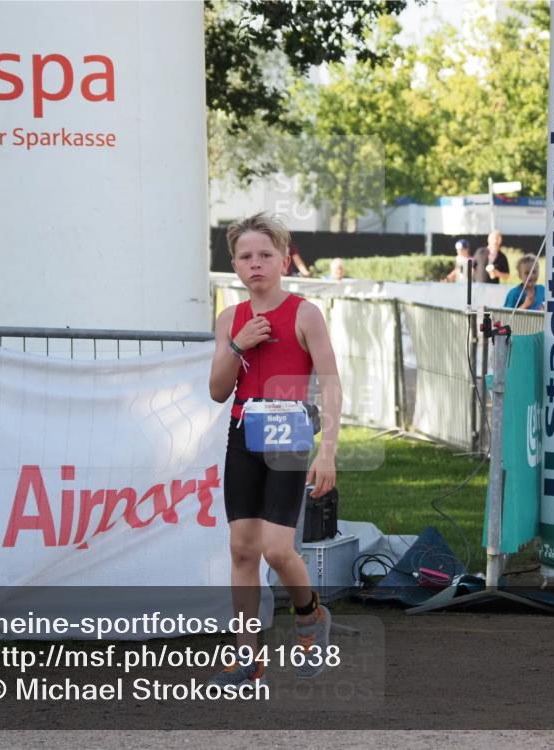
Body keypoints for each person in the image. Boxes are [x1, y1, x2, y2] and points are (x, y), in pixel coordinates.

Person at [208, 212, 341, 687]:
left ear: (283, 259)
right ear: (235, 264)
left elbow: (330, 382)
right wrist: (237, 346)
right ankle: (246, 657)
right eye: (246, 256)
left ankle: (310, 617)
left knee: (276, 548)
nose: (255, 264)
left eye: (265, 254)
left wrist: (327, 452)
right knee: (242, 549)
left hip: (288, 429)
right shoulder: (229, 318)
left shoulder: (304, 313)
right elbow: (217, 391)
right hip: (243, 432)